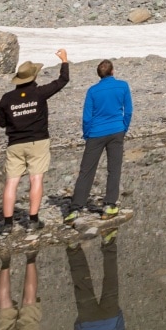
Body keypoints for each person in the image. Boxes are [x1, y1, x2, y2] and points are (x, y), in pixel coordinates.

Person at [0, 49, 70, 235]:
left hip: (15, 143)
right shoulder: (39, 93)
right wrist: (64, 61)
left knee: (11, 182)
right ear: (33, 77)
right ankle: (33, 220)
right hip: (38, 141)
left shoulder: (7, 99)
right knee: (36, 178)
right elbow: (62, 81)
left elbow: (1, 122)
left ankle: (7, 224)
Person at [67, 59, 132, 223]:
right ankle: (110, 205)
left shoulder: (93, 91)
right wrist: (123, 127)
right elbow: (128, 110)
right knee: (114, 168)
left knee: (86, 170)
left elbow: (87, 117)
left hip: (96, 132)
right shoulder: (123, 86)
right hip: (116, 130)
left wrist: (87, 133)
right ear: (113, 71)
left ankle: (76, 208)